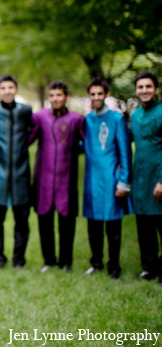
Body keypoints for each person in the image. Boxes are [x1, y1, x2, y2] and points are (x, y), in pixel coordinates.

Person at [29, 81, 84, 273]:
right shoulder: (39, 117)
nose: (55, 99)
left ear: (66, 97)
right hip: (43, 180)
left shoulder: (77, 119)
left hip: (66, 180)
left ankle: (66, 262)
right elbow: (27, 139)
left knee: (67, 224)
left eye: (59, 95)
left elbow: (89, 144)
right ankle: (49, 260)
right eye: (52, 95)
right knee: (45, 223)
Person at [83, 78, 132, 280]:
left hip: (111, 179)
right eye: (92, 94)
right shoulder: (86, 120)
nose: (96, 97)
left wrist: (123, 181)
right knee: (93, 227)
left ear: (105, 94)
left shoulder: (117, 119)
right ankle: (96, 262)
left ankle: (114, 266)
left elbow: (125, 152)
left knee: (113, 227)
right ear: (89, 96)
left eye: (99, 94)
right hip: (91, 181)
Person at [0, 75, 33, 270]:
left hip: (21, 173)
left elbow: (33, 130)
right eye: (3, 88)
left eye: (10, 88)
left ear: (16, 89)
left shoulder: (26, 111)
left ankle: (19, 259)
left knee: (22, 221)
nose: (7, 91)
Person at [129, 71, 162, 283]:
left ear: (156, 89)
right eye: (140, 87)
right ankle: (149, 268)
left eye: (148, 86)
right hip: (140, 178)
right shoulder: (135, 116)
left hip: (158, 178)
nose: (144, 91)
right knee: (144, 227)